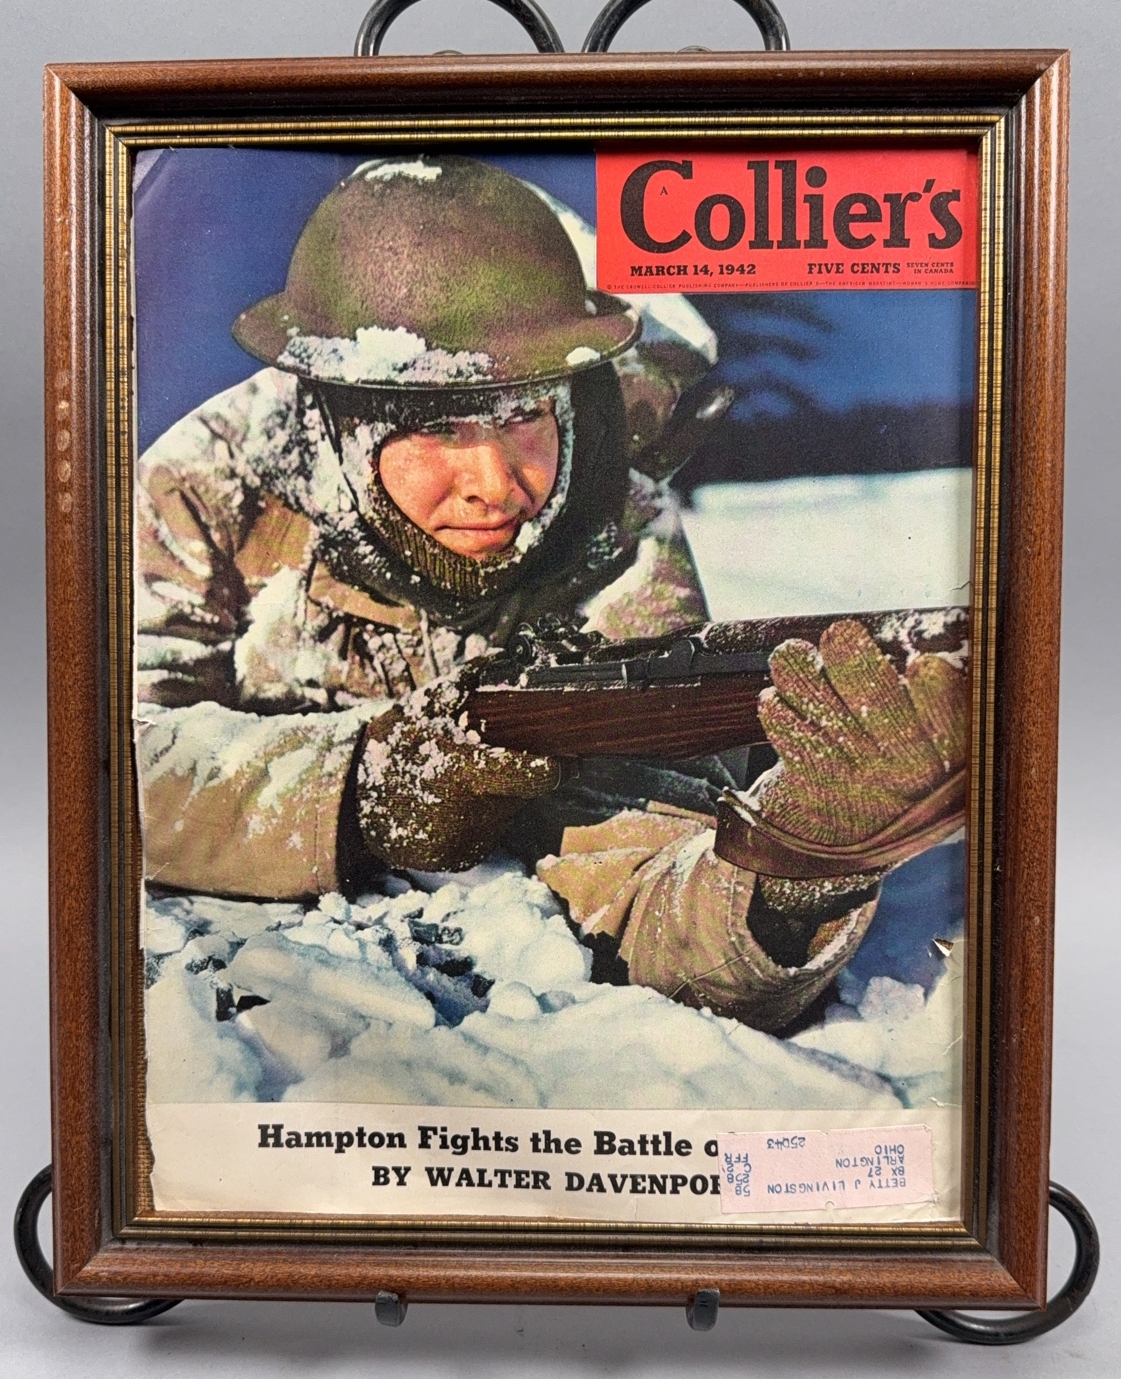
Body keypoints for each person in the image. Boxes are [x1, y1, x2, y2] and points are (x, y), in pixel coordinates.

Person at [136, 155, 966, 1035]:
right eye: (436, 426)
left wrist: (795, 864)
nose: (496, 484)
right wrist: (362, 785)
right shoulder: (206, 489)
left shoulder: (611, 528)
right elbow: (109, 773)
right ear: (340, 416)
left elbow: (640, 874)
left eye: (526, 415)